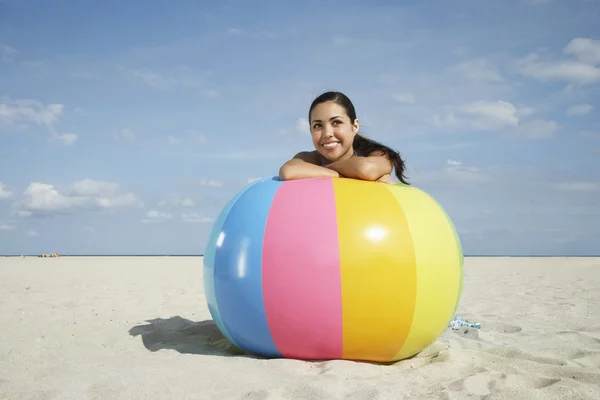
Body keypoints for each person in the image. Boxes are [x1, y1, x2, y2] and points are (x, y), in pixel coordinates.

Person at [278, 91, 409, 185]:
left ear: (355, 126)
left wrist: (318, 172)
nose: (327, 133)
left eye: (336, 122)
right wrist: (344, 175)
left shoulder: (376, 154)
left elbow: (365, 169)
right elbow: (288, 171)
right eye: (318, 125)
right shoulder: (311, 158)